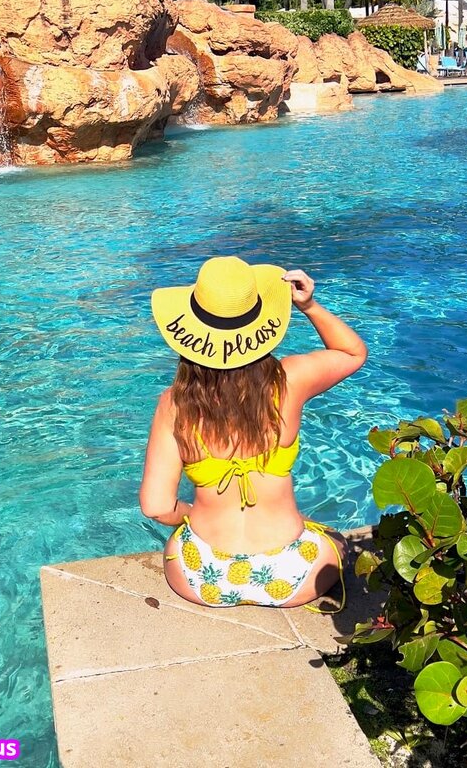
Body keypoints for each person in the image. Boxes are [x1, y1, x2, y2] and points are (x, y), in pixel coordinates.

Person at [139, 256, 368, 609]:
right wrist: (309, 306)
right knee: (335, 540)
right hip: (295, 574)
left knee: (180, 539)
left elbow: (156, 506)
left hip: (201, 577)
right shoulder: (290, 381)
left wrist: (190, 512)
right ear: (260, 328)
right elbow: (352, 353)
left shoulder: (174, 405)